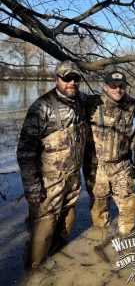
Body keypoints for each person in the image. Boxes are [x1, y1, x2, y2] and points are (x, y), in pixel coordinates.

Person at [17, 61, 88, 269]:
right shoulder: (42, 107)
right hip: (48, 182)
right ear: (57, 79)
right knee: (44, 227)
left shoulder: (82, 102)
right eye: (67, 78)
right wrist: (33, 188)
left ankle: (57, 264)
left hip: (72, 179)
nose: (72, 82)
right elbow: (25, 152)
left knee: (67, 220)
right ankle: (34, 272)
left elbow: (111, 99)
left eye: (76, 78)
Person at [84, 71, 135, 236]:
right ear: (105, 87)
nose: (118, 90)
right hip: (96, 166)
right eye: (113, 86)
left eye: (121, 86)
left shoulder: (131, 104)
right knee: (99, 207)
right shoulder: (91, 103)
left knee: (130, 204)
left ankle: (125, 240)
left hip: (122, 165)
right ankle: (100, 239)